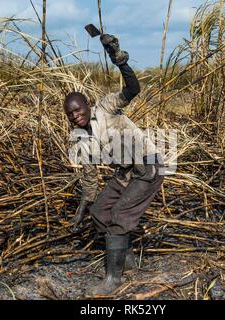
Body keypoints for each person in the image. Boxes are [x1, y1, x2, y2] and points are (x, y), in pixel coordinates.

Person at [64, 34, 164, 296]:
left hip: (147, 166)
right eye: (71, 114)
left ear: (87, 104)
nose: (76, 116)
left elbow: (132, 89)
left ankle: (113, 280)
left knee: (120, 216)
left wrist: (119, 60)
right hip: (126, 173)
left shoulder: (106, 107)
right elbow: (89, 176)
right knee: (100, 212)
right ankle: (127, 261)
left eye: (78, 109)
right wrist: (85, 204)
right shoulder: (79, 138)